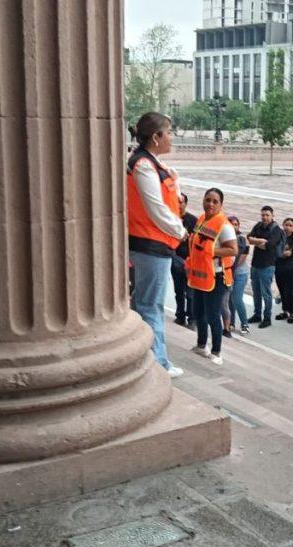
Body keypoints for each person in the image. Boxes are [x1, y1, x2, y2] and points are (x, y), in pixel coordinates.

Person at [127, 111, 188, 378]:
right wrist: (180, 230)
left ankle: (142, 356)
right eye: (169, 132)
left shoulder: (148, 163)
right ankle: (158, 363)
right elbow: (157, 209)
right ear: (156, 137)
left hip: (151, 243)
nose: (172, 138)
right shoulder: (143, 166)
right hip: (151, 244)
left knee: (144, 303)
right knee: (150, 305)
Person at [186, 188, 238, 366]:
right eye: (208, 200)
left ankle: (216, 351)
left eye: (215, 201)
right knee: (198, 311)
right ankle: (201, 345)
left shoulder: (224, 226)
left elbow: (233, 249)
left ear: (221, 205)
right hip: (200, 276)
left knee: (213, 314)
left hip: (217, 277)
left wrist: (211, 251)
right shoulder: (201, 219)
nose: (210, 204)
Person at [246, 205, 283, 329]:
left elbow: (268, 245)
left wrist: (256, 241)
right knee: (256, 292)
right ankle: (257, 314)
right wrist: (259, 241)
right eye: (263, 215)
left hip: (267, 266)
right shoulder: (258, 225)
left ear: (273, 216)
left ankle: (267, 318)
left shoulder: (276, 230)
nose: (265, 217)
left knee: (266, 293)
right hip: (255, 264)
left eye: (267, 215)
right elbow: (249, 238)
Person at [171, 193, 198, 329]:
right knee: (178, 291)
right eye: (177, 201)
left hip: (190, 262)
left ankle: (192, 318)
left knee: (191, 293)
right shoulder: (171, 219)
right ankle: (180, 316)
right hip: (175, 260)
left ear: (185, 204)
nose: (179, 204)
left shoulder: (193, 220)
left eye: (181, 202)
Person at [274, 217, 293, 324]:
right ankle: (285, 311)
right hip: (280, 268)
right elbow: (275, 250)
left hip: (291, 269)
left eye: (290, 225)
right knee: (282, 291)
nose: (287, 227)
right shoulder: (278, 236)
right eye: (286, 224)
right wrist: (281, 254)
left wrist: (286, 253)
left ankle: (292, 313)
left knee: (289, 292)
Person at [227, 216, 250, 336]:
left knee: (237, 297)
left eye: (236, 224)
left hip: (240, 273)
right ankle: (231, 322)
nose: (234, 226)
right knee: (230, 298)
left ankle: (244, 323)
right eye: (231, 224)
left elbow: (243, 257)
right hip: (229, 272)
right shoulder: (224, 237)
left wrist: (232, 267)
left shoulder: (242, 239)